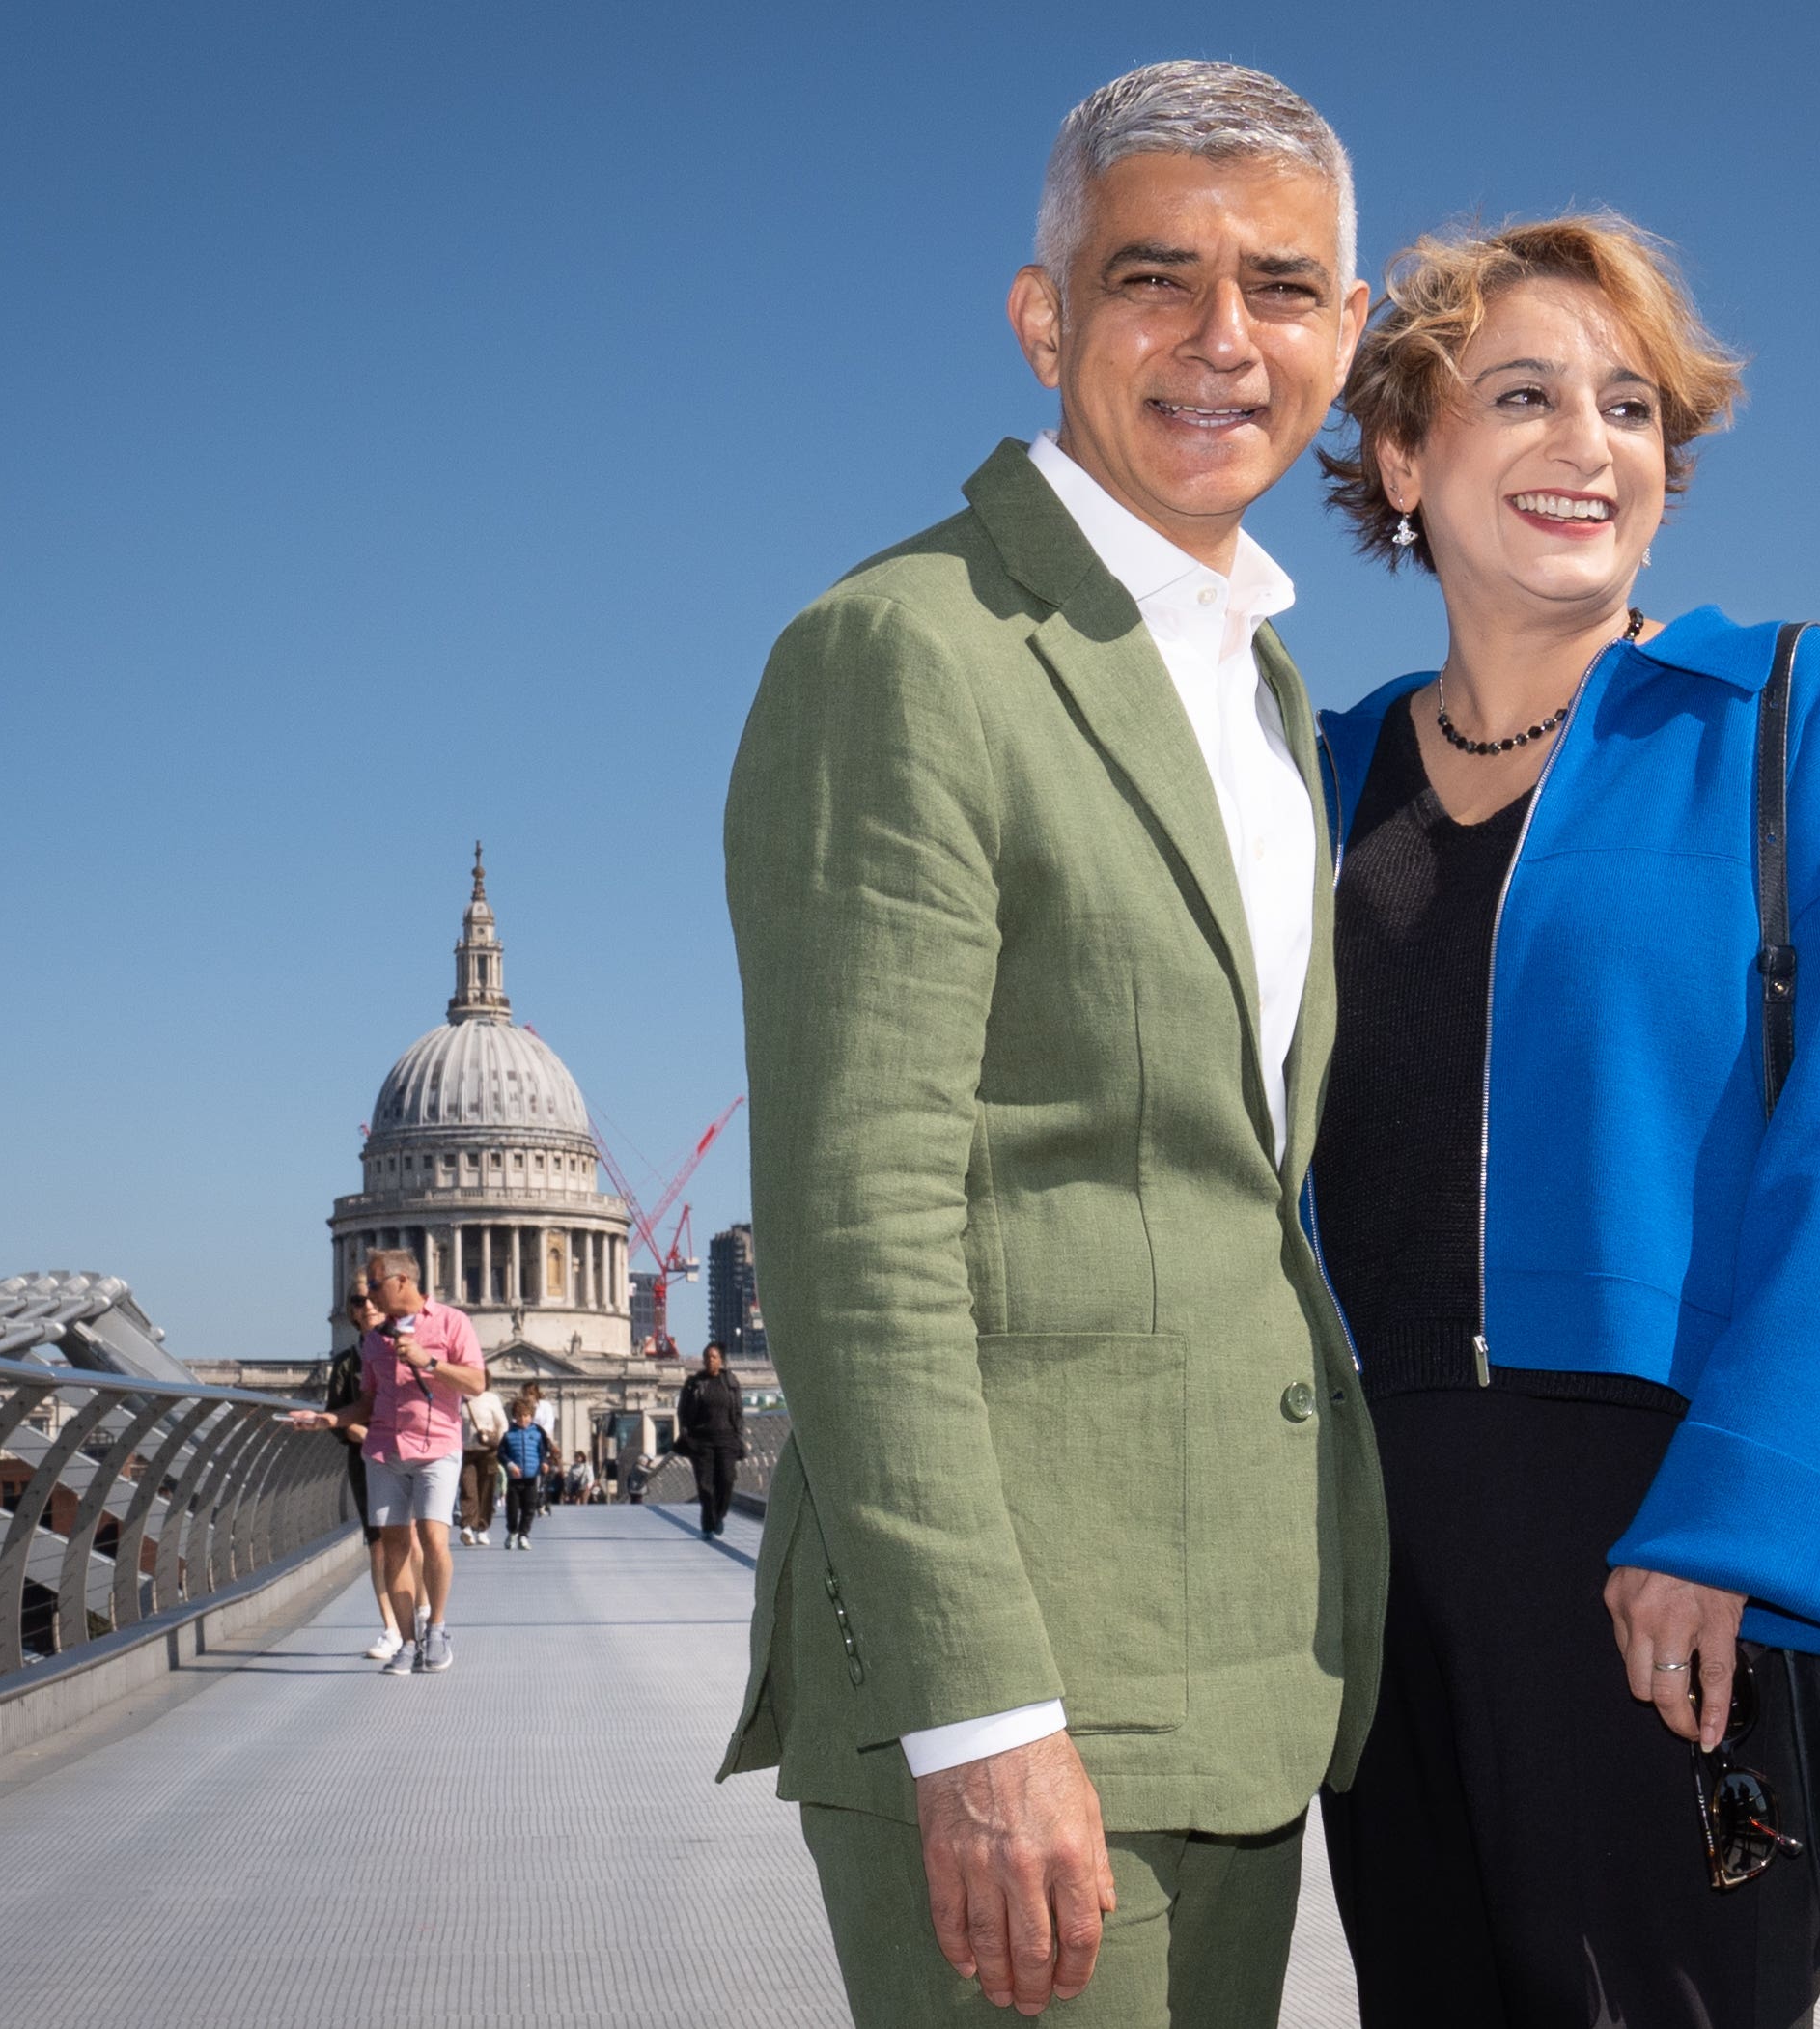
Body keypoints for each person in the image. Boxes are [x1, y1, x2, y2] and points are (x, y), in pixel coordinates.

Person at [718, 60, 1384, 2029]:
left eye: (1281, 287)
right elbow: (858, 1228)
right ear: (1045, 319)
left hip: (1242, 1672)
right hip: (1031, 1699)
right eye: (1152, 277)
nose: (1219, 340)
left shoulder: (1264, 689)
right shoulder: (905, 652)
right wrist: (981, 1716)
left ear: (1345, 332)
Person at [1304, 216, 1820, 2028]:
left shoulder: (1793, 714)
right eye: (1519, 394)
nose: (1587, 443)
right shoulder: (1311, 771)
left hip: (1664, 1536)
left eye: (1630, 408)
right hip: (1372, 1543)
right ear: (1398, 456)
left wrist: (1737, 1525)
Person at [286, 1248, 488, 1676]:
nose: (367, 1296)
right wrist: (327, 1420)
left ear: (401, 1281)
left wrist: (429, 1361)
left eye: (374, 1285)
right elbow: (368, 1402)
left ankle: (436, 1629)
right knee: (393, 1549)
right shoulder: (376, 1340)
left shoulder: (453, 1323)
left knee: (433, 1538)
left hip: (436, 1447)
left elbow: (476, 1382)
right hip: (384, 1450)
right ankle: (407, 1641)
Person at [326, 1287, 406, 1660]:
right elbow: (337, 1417)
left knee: (414, 1543)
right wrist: (371, 1436)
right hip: (368, 1461)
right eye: (358, 1300)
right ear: (352, 1311)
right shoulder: (346, 1363)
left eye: (375, 1296)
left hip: (410, 1458)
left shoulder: (410, 1348)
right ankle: (391, 1627)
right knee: (379, 1546)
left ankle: (416, 1618)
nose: (369, 1305)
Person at [679, 1340, 745, 1536]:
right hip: (701, 1442)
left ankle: (720, 1515)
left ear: (721, 1360)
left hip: (727, 1440)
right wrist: (687, 1434)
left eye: (713, 1357)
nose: (709, 1360)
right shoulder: (694, 1383)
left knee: (726, 1480)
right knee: (705, 1486)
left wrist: (738, 1434)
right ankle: (708, 1526)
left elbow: (739, 1411)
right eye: (707, 1357)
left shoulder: (730, 1383)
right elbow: (683, 1411)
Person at [459, 1378, 511, 1546]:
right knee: (468, 1489)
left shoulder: (491, 1398)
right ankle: (467, 1526)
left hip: (489, 1452)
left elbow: (503, 1424)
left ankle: (482, 1528)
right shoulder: (458, 1397)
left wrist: (498, 1443)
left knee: (487, 1492)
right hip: (466, 1452)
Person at [500, 1387, 550, 1549]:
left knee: (529, 1508)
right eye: (520, 1416)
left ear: (531, 1416)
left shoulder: (537, 1432)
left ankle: (524, 1535)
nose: (523, 1419)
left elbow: (543, 1450)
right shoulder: (508, 1433)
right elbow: (501, 1453)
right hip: (514, 1479)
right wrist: (509, 1465)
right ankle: (513, 1531)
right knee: (512, 1510)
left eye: (527, 1415)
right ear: (514, 1416)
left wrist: (544, 1462)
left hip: (531, 1477)